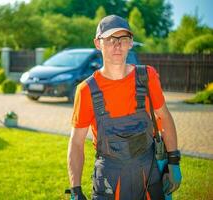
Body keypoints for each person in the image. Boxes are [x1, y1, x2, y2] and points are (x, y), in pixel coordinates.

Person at [67, 15, 182, 200]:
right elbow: (76, 142)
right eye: (110, 39)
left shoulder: (147, 77)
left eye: (123, 39)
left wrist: (174, 161)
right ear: (98, 43)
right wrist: (75, 189)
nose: (117, 45)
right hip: (110, 182)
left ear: (131, 43)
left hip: (150, 174)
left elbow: (165, 117)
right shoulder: (86, 90)